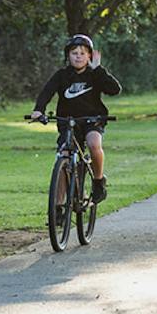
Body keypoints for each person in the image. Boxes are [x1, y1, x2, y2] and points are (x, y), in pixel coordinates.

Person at [31, 34, 122, 201]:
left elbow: (115, 90)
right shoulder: (62, 75)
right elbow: (46, 92)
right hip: (68, 121)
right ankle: (57, 207)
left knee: (94, 143)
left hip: (91, 119)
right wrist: (38, 110)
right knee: (64, 157)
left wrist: (98, 70)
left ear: (90, 56)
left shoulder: (94, 74)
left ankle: (98, 181)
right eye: (74, 53)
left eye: (82, 53)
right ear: (68, 56)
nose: (78, 56)